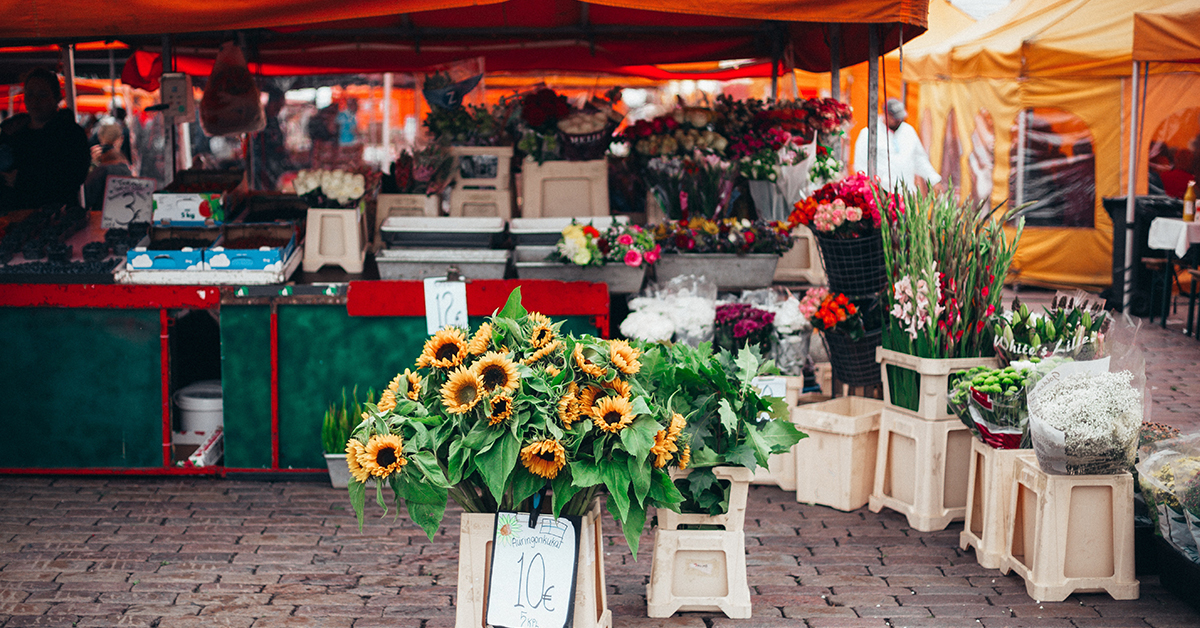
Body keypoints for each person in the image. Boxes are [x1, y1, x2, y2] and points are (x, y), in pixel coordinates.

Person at [2, 68, 91, 209]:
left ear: (56, 98)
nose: (35, 100)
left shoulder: (70, 134)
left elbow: (73, 177)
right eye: (29, 94)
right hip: (15, 218)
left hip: (57, 217)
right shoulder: (13, 133)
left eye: (42, 95)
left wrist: (24, 180)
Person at [853, 98, 942, 193]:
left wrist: (934, 180)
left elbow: (919, 159)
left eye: (900, 117)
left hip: (906, 193)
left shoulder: (908, 131)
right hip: (881, 194)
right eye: (895, 118)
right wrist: (870, 189)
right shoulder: (869, 133)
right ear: (886, 114)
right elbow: (860, 164)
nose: (899, 120)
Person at [83, 123, 133, 211]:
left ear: (100, 138)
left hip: (98, 214)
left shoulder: (96, 162)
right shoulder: (122, 163)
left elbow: (87, 194)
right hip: (120, 212)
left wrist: (91, 163)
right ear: (121, 139)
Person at [253, 87, 291, 190]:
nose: (281, 108)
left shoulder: (274, 119)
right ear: (273, 102)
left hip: (274, 163)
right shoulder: (261, 119)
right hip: (262, 165)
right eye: (280, 104)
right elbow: (258, 144)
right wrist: (276, 149)